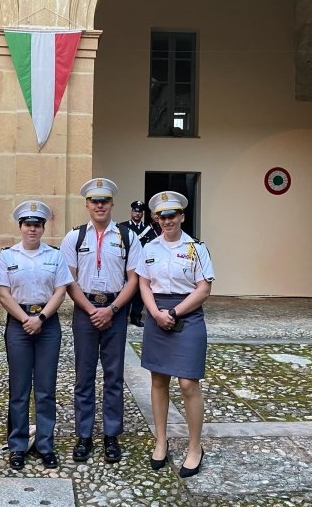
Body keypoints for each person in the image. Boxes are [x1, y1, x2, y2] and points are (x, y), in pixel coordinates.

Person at [60, 178, 142, 463]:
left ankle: (111, 435)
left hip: (115, 311)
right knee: (84, 377)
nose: (99, 205)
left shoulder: (127, 237)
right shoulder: (74, 237)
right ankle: (84, 435)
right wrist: (91, 310)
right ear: (87, 205)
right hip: (85, 311)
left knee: (114, 376)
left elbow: (133, 279)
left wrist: (113, 309)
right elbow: (68, 279)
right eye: (94, 201)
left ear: (111, 204)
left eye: (104, 201)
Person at [136, 191, 214, 478]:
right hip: (157, 315)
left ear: (181, 216)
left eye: (172, 215)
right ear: (156, 219)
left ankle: (195, 447)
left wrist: (175, 312)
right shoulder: (150, 249)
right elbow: (144, 283)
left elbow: (203, 289)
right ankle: (161, 440)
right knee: (158, 380)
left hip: (187, 316)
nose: (167, 221)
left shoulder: (197, 249)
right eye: (162, 216)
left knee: (187, 384)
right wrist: (156, 313)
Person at [0, 201, 74, 470]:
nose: (32, 229)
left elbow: (60, 292)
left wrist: (39, 318)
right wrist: (26, 319)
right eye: (27, 224)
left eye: (37, 224)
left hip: (47, 324)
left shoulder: (55, 255)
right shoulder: (8, 256)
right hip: (18, 324)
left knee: (45, 388)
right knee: (19, 389)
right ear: (20, 227)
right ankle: (17, 445)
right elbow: (3, 294)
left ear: (43, 227)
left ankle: (45, 444)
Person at [119, 200, 149, 327]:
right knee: (126, 288)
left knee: (139, 292)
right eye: (135, 211)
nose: (137, 214)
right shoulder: (123, 227)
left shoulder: (148, 229)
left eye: (140, 212)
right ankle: (123, 316)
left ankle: (136, 317)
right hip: (127, 263)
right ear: (131, 212)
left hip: (141, 264)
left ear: (142, 214)